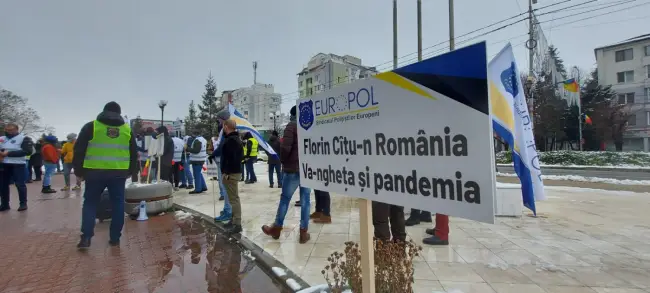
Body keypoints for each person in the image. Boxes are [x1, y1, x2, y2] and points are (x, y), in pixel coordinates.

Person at [74, 101, 138, 249]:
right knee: (118, 204)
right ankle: (115, 238)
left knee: (90, 203)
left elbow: (79, 150)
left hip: (94, 172)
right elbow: (133, 154)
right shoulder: (126, 130)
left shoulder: (92, 127)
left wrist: (79, 171)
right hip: (118, 172)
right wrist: (130, 171)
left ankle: (86, 237)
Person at [261, 106, 312, 244]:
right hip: (307, 169)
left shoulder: (291, 126)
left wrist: (283, 161)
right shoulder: (310, 126)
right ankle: (303, 232)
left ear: (293, 115)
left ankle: (277, 228)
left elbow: (285, 147)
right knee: (306, 201)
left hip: (293, 170)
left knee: (285, 199)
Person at [0, 122, 34, 211]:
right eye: (7, 130)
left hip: (18, 164)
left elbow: (27, 151)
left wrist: (9, 153)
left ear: (16, 130)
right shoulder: (2, 139)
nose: (9, 132)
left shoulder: (24, 138)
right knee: (3, 185)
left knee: (20, 184)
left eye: (11, 130)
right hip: (4, 164)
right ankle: (4, 204)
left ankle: (23, 204)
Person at [219, 119, 243, 234]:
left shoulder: (231, 140)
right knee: (233, 198)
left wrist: (227, 173)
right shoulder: (234, 139)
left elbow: (232, 159)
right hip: (233, 172)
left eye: (224, 126)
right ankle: (233, 220)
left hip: (231, 174)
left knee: (234, 199)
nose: (223, 128)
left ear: (226, 126)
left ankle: (237, 224)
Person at [213, 109, 232, 222]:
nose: (218, 121)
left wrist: (214, 153)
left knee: (225, 187)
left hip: (224, 161)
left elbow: (222, 147)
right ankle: (227, 209)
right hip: (222, 160)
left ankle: (228, 211)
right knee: (224, 186)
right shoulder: (224, 129)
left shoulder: (226, 130)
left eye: (219, 118)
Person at [187, 130, 208, 194]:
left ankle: (198, 189)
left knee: (196, 174)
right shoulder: (203, 139)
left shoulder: (197, 140)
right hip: (201, 159)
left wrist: (187, 148)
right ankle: (203, 186)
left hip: (196, 160)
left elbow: (196, 150)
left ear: (194, 134)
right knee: (199, 173)